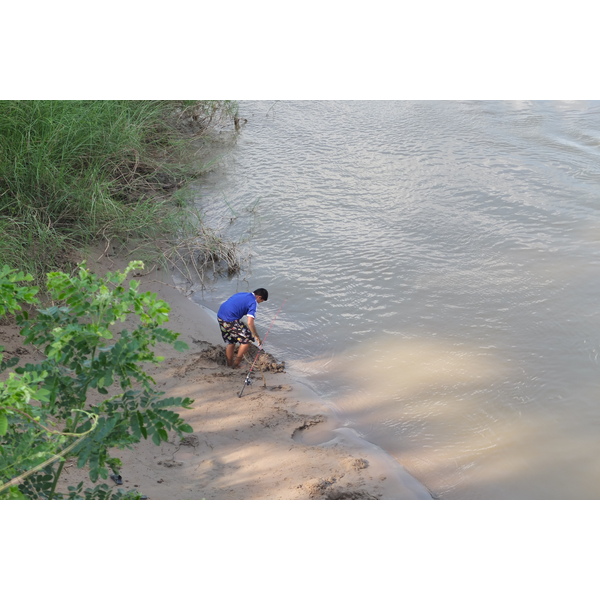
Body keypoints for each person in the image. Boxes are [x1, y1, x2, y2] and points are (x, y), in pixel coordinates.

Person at [217, 288, 269, 369]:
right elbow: (250, 322)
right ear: (259, 297)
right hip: (230, 319)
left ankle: (229, 364)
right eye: (261, 301)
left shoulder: (242, 294)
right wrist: (256, 336)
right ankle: (236, 364)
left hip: (220, 315)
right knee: (247, 340)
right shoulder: (253, 302)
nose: (259, 303)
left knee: (231, 342)